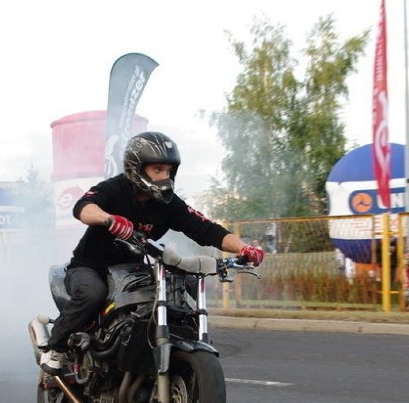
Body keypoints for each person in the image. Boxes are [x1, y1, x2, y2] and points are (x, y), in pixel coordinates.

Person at [39, 131, 265, 374]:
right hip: (90, 266)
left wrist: (244, 247)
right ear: (138, 168)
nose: (164, 176)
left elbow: (207, 229)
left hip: (131, 270)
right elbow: (83, 207)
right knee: (93, 294)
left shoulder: (169, 205)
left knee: (177, 289)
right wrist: (108, 219)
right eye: (158, 170)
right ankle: (56, 346)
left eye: (168, 171)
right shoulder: (115, 189)